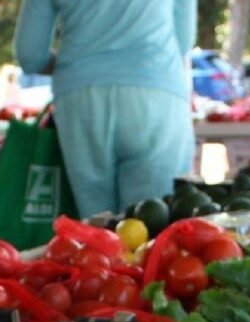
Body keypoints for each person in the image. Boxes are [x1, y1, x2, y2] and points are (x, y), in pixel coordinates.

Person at [14, 0, 196, 218]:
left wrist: (75, 66)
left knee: (97, 223)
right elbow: (183, 42)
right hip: (155, 93)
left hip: (81, 100)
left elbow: (29, 55)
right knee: (152, 220)